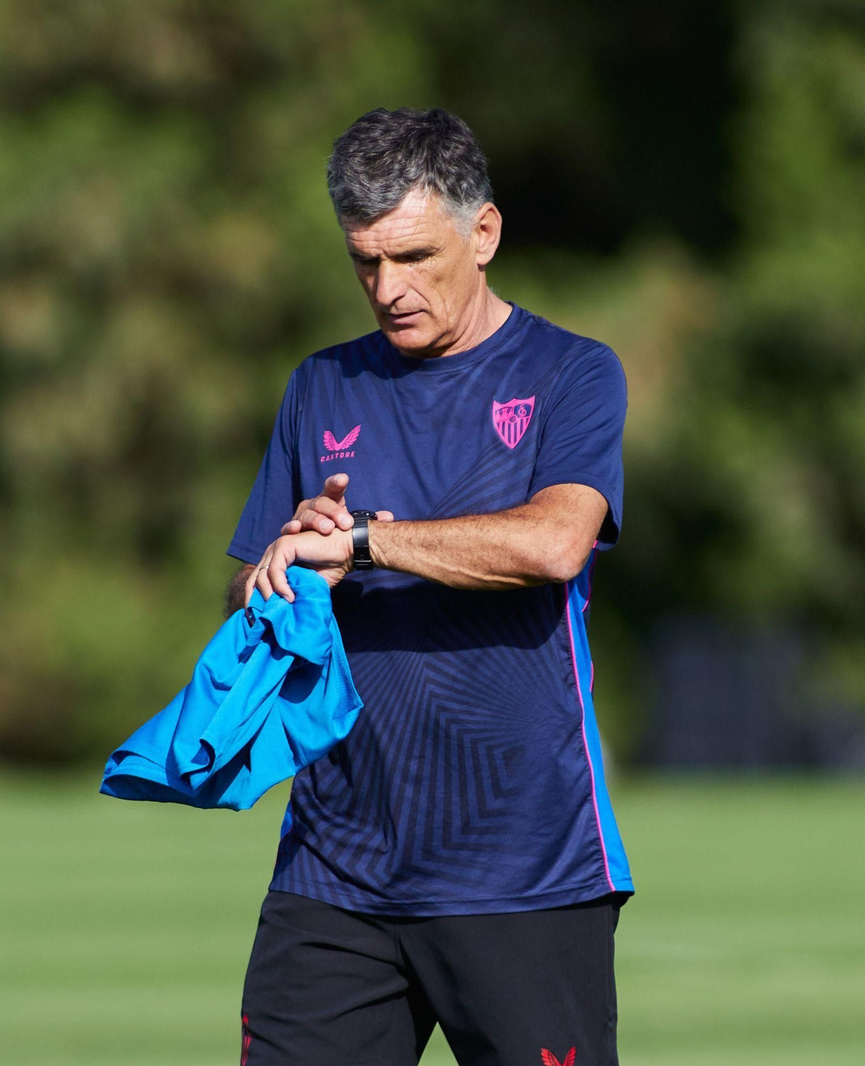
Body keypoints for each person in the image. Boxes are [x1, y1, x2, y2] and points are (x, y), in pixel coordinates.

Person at [226, 107, 632, 1066]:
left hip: (525, 869)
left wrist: (365, 542)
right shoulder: (318, 384)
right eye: (365, 262)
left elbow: (554, 544)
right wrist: (284, 562)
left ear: (483, 234)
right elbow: (250, 588)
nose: (387, 288)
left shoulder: (573, 372)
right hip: (334, 869)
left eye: (412, 257)